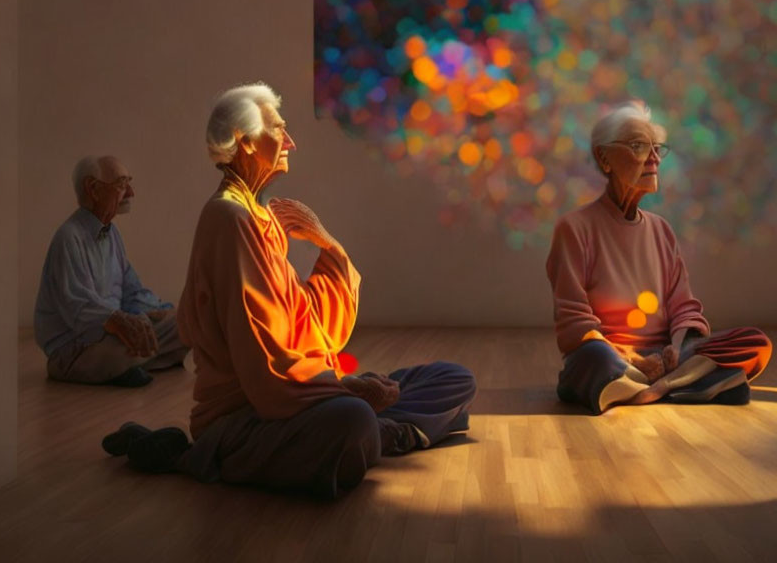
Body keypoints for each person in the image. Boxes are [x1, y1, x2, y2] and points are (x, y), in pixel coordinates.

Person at [102, 83, 476, 498]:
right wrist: (342, 389)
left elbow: (310, 321)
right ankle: (198, 455)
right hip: (249, 417)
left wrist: (324, 241)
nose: (292, 142)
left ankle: (383, 432)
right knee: (352, 422)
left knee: (453, 378)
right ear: (244, 142)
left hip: (299, 396)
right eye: (280, 129)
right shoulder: (229, 219)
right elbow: (263, 363)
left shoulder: (258, 216)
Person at [546, 100, 772, 413]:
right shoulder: (573, 227)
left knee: (755, 341)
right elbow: (574, 323)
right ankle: (690, 383)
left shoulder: (661, 230)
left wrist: (677, 350)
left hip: (664, 358)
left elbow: (684, 307)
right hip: (609, 354)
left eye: (656, 148)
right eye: (639, 146)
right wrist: (633, 357)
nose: (653, 158)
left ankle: (656, 387)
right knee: (594, 360)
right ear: (604, 157)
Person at [34, 155, 189, 387]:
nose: (130, 194)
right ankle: (133, 362)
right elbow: (77, 306)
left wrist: (162, 311)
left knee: (187, 322)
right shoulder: (68, 237)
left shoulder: (112, 234)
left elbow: (131, 290)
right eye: (121, 185)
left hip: (111, 337)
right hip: (78, 347)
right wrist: (118, 320)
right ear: (93, 189)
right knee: (123, 347)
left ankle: (131, 363)